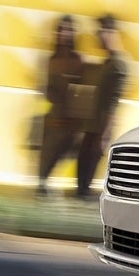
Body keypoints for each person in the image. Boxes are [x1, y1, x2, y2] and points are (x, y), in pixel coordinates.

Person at [75, 14, 131, 201]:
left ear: (112, 33)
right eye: (99, 32)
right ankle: (81, 194)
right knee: (83, 162)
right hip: (93, 124)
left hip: (101, 125)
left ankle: (83, 196)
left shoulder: (119, 65)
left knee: (89, 164)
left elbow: (114, 102)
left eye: (103, 32)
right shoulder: (107, 63)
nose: (99, 37)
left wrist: (106, 132)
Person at [35, 14, 86, 198]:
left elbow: (82, 90)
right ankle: (42, 187)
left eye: (69, 30)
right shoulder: (52, 60)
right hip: (54, 118)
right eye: (62, 29)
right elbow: (45, 87)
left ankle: (61, 188)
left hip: (72, 120)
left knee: (64, 155)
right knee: (46, 157)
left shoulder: (79, 60)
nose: (65, 33)